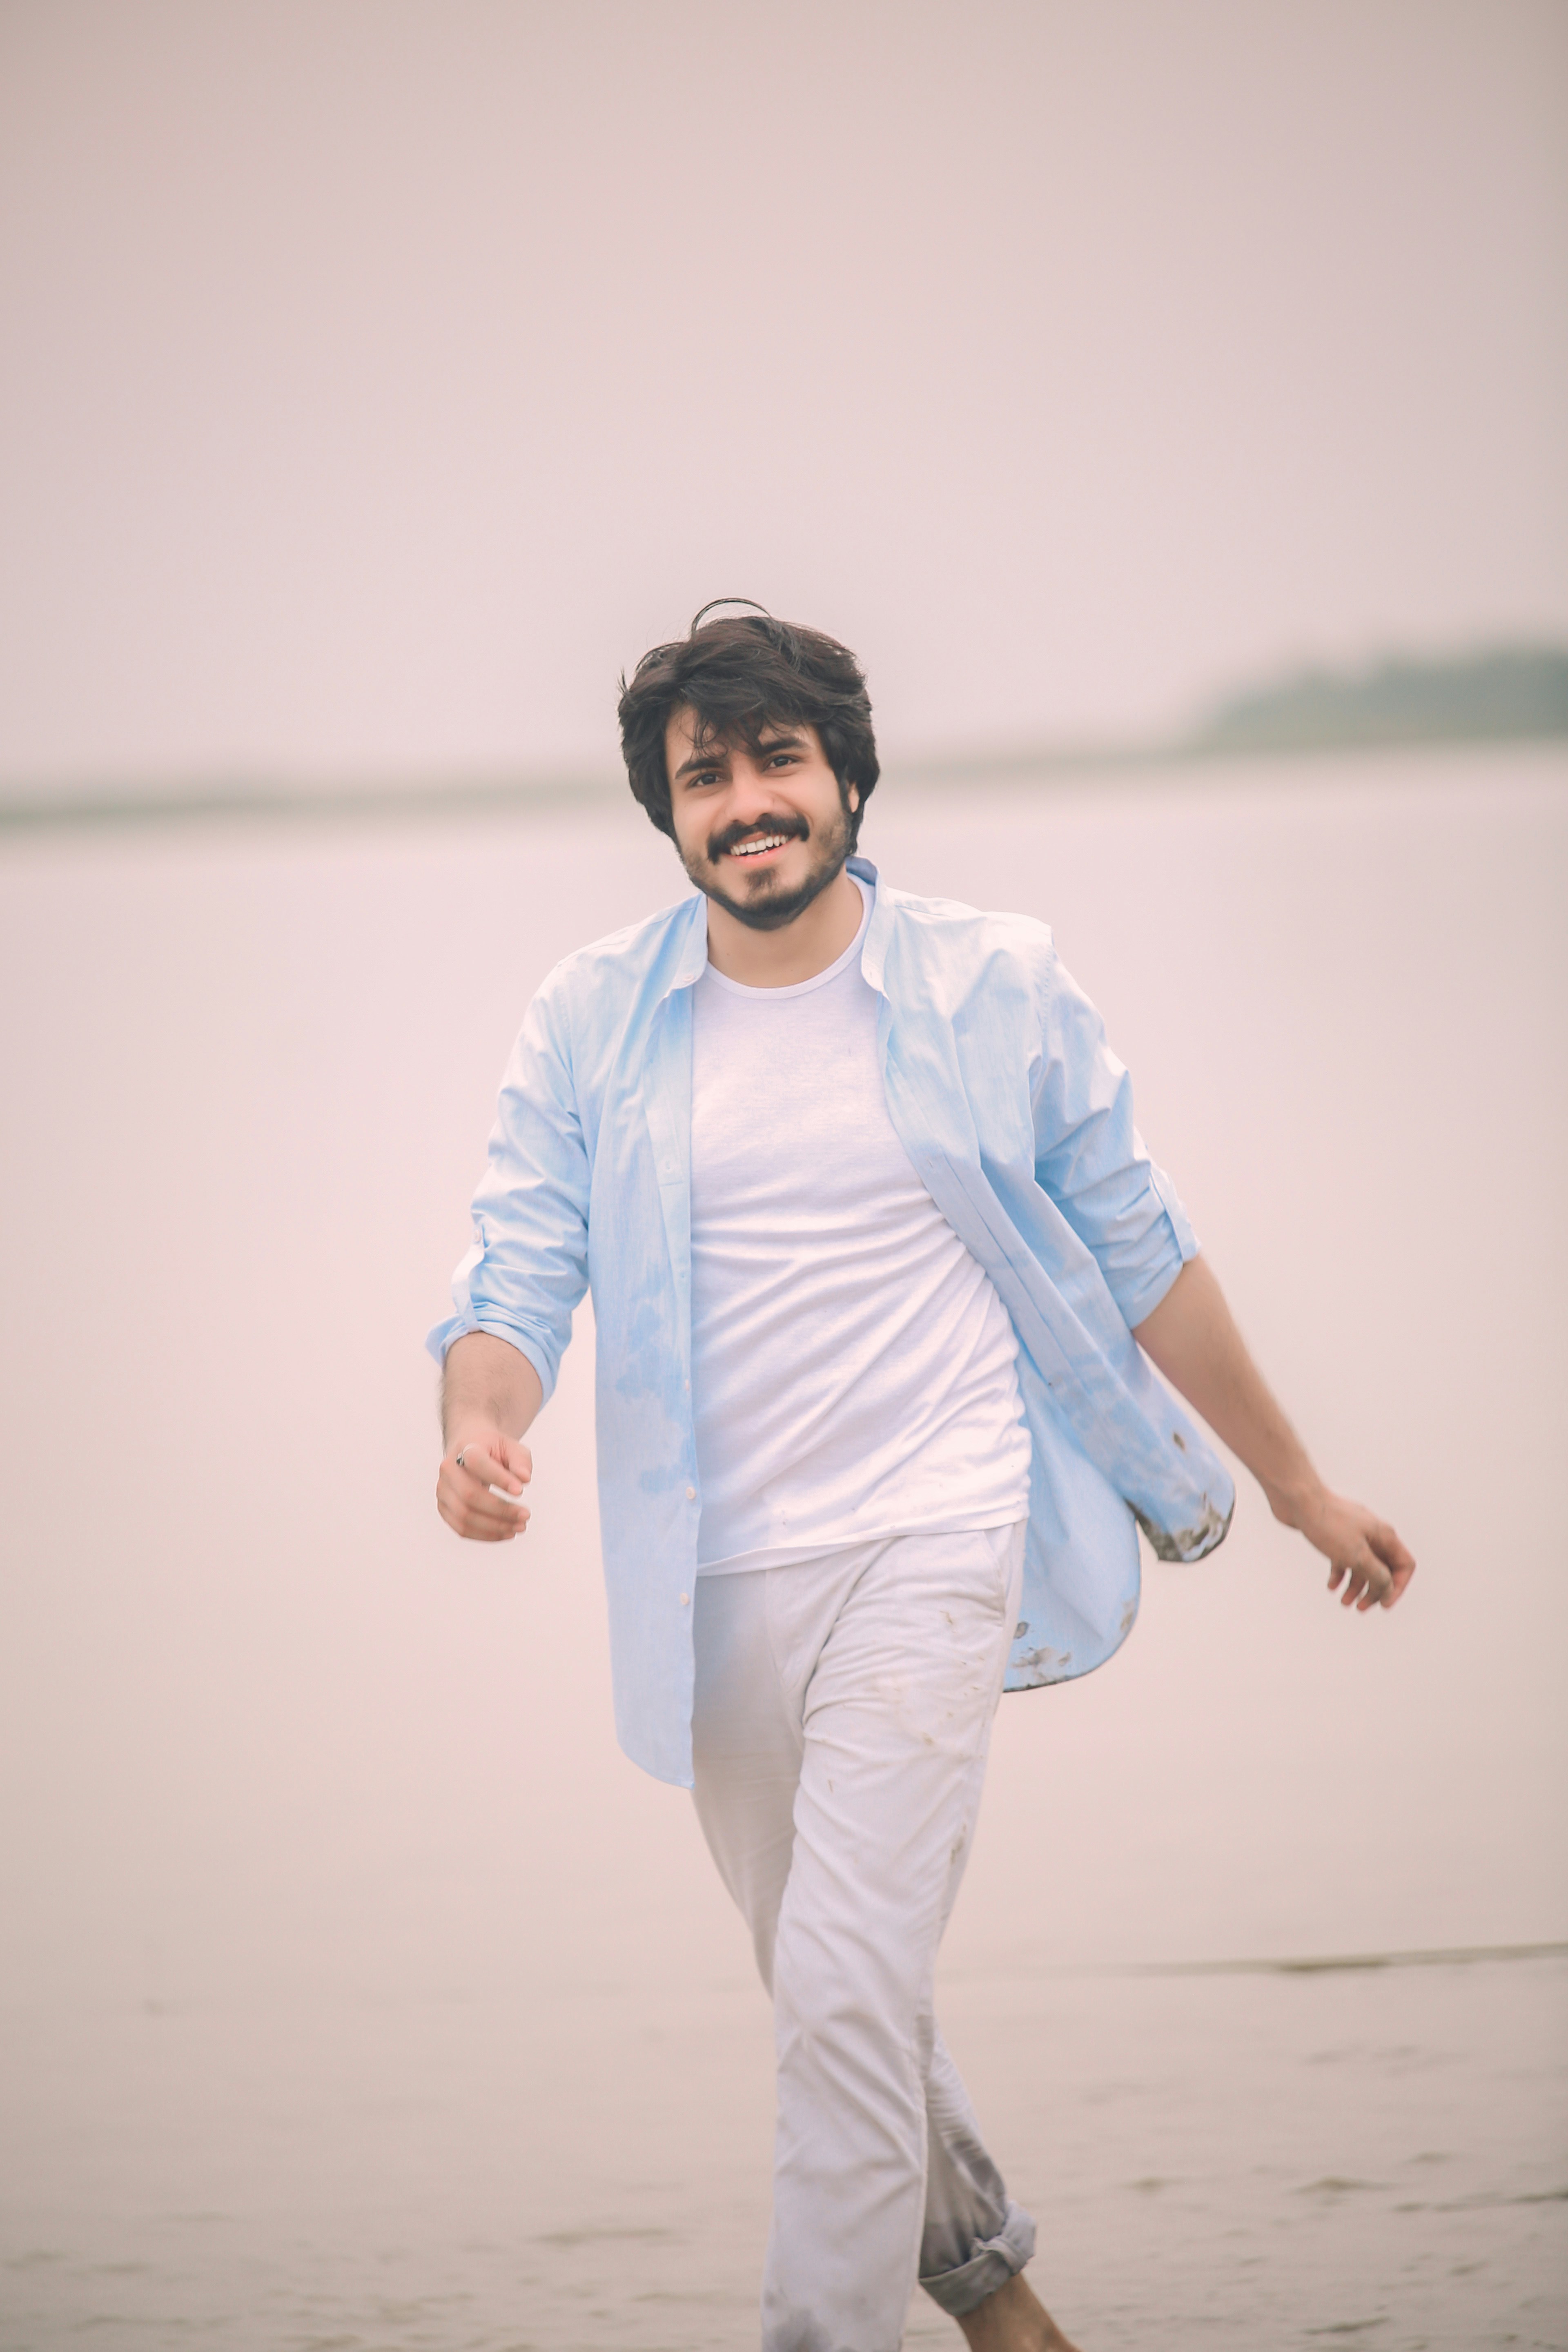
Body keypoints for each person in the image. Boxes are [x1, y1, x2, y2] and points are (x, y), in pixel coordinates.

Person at [427, 605, 1415, 2352]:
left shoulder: (992, 983)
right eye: (706, 777)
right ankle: (1006, 2313)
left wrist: (1295, 1487)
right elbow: (513, 1271)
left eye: (779, 761)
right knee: (839, 1996)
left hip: (939, 1533)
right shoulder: (592, 1019)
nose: (748, 803)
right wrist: (472, 1425)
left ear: (848, 780)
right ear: (669, 815)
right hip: (712, 1579)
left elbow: (1142, 1244)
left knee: (842, 1987)